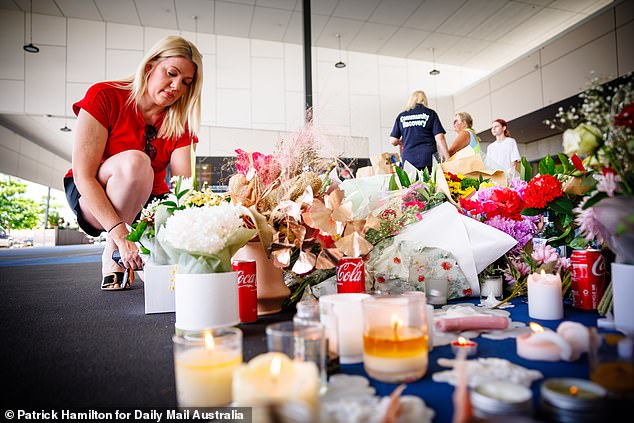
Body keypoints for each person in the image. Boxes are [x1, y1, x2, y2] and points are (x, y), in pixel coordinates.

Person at [63, 35, 203, 290]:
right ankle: (113, 251)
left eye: (186, 82)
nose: (176, 86)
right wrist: (121, 234)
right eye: (170, 73)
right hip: (94, 198)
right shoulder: (104, 96)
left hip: (148, 205)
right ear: (150, 66)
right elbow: (84, 176)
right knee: (137, 162)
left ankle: (120, 247)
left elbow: (184, 190)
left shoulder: (181, 123)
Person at [389, 90, 450, 171]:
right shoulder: (430, 113)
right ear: (424, 100)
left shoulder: (402, 116)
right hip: (429, 157)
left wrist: (403, 141)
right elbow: (440, 137)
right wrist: (447, 157)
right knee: (431, 182)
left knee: (412, 183)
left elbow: (393, 140)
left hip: (409, 158)